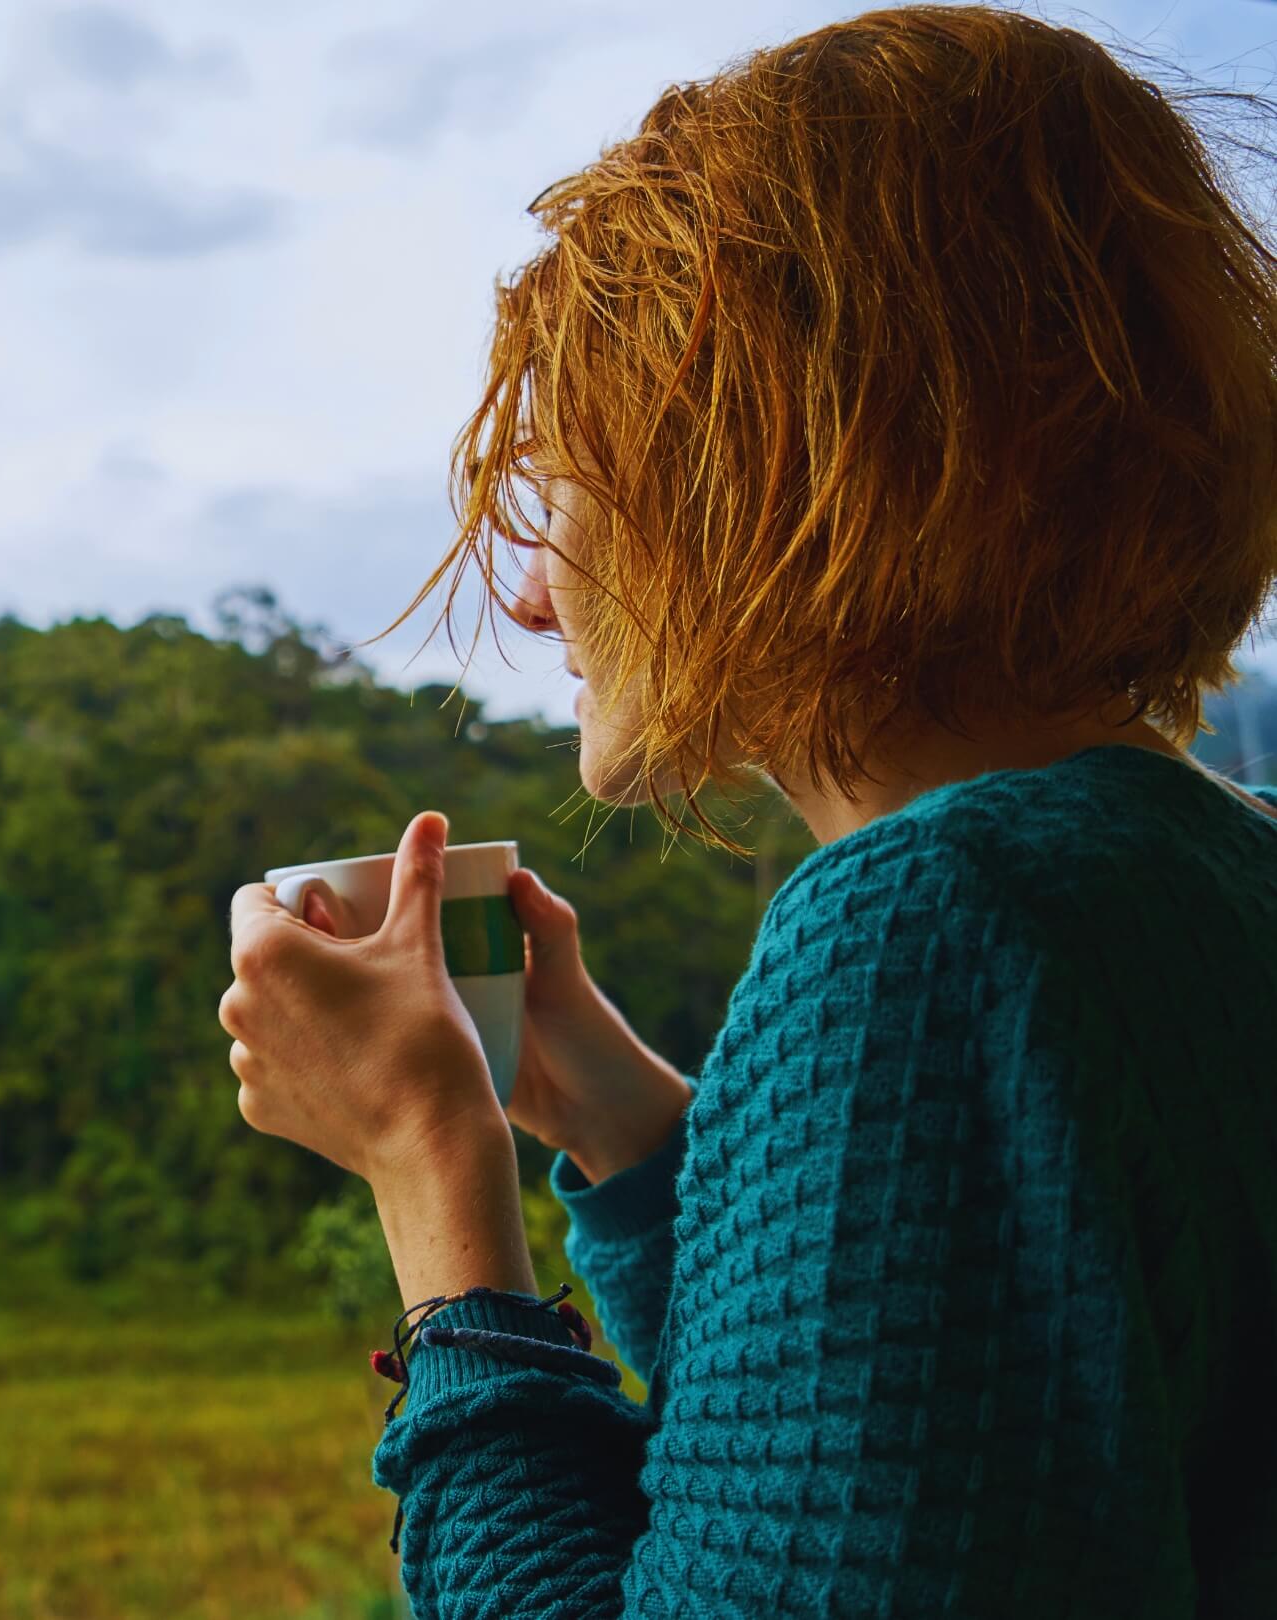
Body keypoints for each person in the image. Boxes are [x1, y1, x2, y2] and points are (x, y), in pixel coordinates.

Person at [358, 5, 1277, 1613]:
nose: (527, 607)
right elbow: (901, 1449)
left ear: (766, 471)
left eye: (562, 500)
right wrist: (612, 1117)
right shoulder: (1204, 871)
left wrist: (437, 1186)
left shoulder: (925, 920)